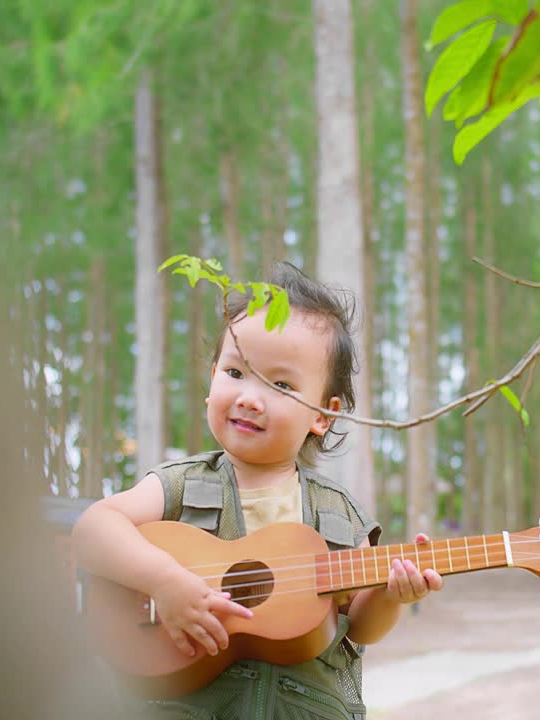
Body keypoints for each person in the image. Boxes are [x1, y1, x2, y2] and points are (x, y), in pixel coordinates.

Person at [72, 262, 442, 719]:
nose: (249, 396)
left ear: (321, 415)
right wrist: (164, 582)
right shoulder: (181, 485)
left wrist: (391, 595)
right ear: (212, 378)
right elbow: (92, 529)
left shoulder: (341, 515)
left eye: (280, 384)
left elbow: (359, 627)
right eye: (235, 373)